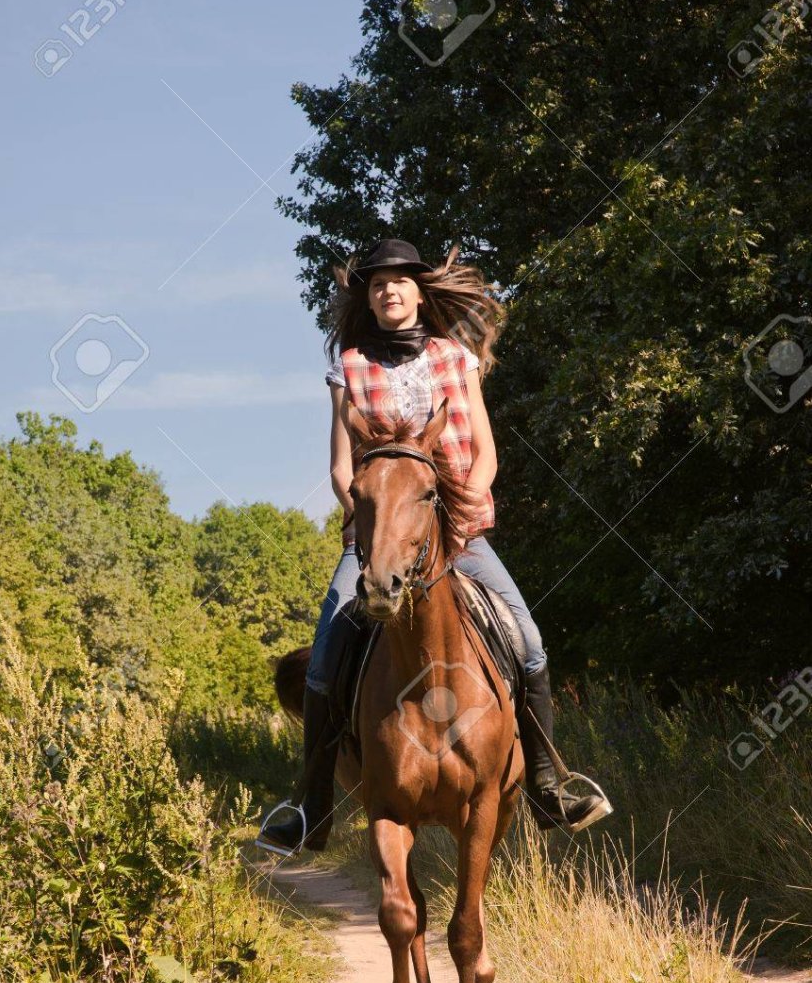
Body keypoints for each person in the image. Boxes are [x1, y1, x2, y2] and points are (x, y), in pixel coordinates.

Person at [257, 238, 612, 854]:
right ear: (366, 298)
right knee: (322, 660)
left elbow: (485, 452)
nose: (388, 291)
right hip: (377, 540)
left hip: (457, 533)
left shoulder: (455, 357)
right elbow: (343, 469)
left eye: (399, 281)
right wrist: (374, 522)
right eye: (376, 284)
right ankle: (311, 808)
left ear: (420, 291)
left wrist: (466, 510)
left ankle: (548, 786)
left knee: (528, 644)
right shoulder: (349, 366)